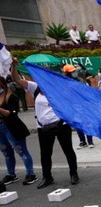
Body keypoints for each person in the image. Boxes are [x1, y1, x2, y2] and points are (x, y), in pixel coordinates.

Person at [11, 58, 79, 189]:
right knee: (45, 153)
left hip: (61, 125)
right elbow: (17, 80)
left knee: (68, 150)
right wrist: (13, 65)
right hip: (43, 127)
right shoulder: (34, 88)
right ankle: (47, 176)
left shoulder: (59, 89)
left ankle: (73, 173)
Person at [0, 76, 38, 186]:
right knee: (6, 152)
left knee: (20, 150)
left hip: (12, 127)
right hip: (1, 127)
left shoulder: (11, 97)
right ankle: (11, 174)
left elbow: (12, 114)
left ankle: (30, 173)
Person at [62, 64, 95, 149]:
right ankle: (82, 141)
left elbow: (86, 91)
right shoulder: (64, 82)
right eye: (72, 72)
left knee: (87, 122)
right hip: (73, 105)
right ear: (67, 73)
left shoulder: (81, 80)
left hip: (83, 104)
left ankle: (90, 141)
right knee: (78, 123)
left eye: (74, 71)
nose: (74, 72)